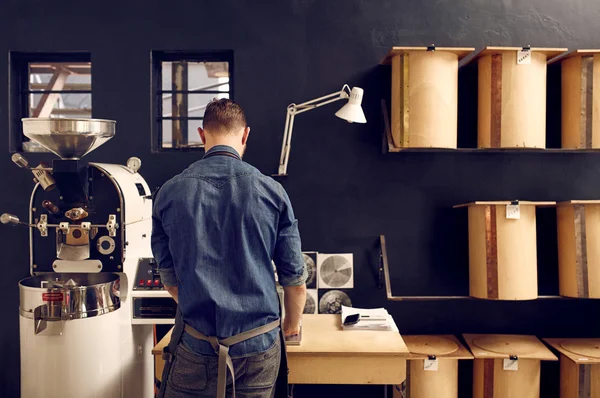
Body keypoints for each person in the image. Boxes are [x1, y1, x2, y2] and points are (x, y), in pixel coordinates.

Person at [151, 98, 307, 398]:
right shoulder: (272, 192)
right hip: (259, 346)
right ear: (245, 135)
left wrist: (200, 303)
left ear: (201, 135)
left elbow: (169, 278)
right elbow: (295, 282)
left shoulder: (170, 191)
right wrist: (290, 325)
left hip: (196, 345)